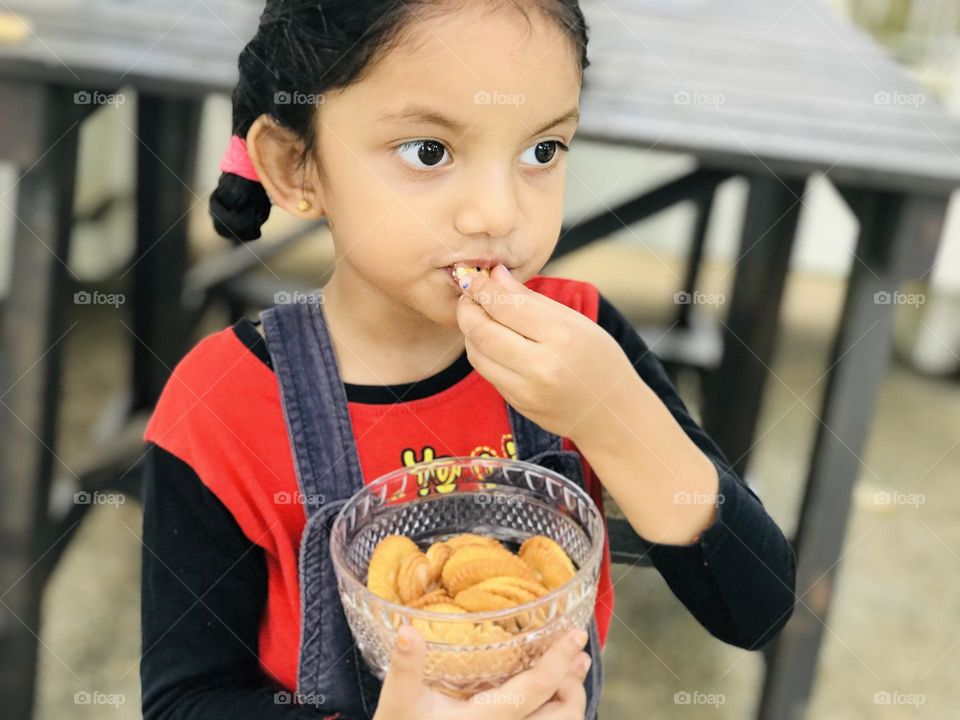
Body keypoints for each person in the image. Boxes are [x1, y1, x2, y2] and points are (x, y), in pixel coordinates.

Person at [140, 1, 797, 718]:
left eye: (541, 152)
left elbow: (755, 610)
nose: (499, 213)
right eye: (429, 151)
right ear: (297, 167)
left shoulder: (582, 338)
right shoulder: (222, 404)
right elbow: (184, 700)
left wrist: (613, 414)